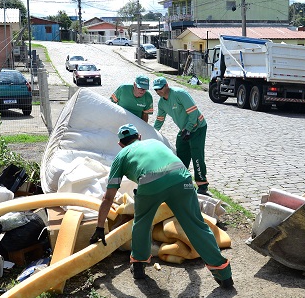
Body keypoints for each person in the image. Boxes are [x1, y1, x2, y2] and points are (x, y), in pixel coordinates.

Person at [92, 123, 233, 287]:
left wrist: (100, 228)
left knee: (142, 223)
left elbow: (108, 198)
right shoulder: (155, 143)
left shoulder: (121, 155)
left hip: (150, 185)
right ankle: (224, 274)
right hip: (182, 180)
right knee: (196, 225)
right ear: (139, 137)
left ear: (120, 144)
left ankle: (138, 266)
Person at [152, 77, 210, 195]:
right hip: (184, 129)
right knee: (180, 156)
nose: (159, 92)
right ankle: (183, 182)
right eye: (156, 90)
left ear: (167, 85)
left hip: (197, 127)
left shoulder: (179, 94)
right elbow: (160, 119)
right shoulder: (162, 102)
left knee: (196, 155)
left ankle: (202, 185)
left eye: (160, 88)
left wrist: (188, 129)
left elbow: (193, 112)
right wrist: (152, 132)